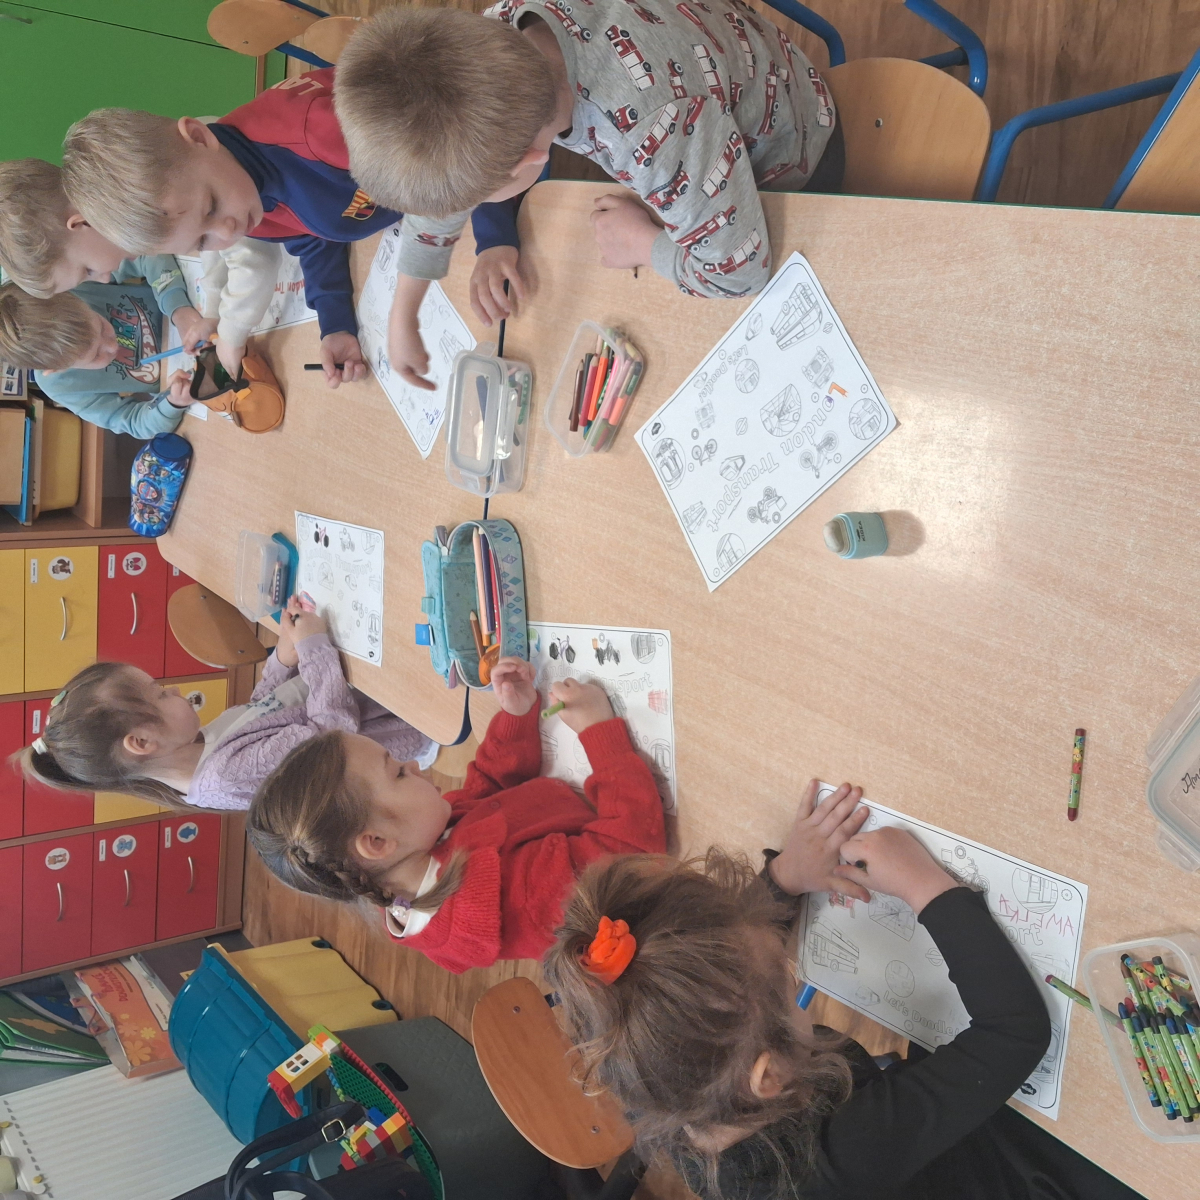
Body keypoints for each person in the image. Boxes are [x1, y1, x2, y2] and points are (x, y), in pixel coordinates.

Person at [541, 781, 1149, 1200]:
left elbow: (710, 974)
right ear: (768, 1076)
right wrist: (925, 886)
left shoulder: (666, 1079)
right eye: (783, 975)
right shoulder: (839, 1158)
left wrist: (783, 878)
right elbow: (1015, 1031)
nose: (785, 959)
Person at [332, 2, 843, 384]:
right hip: (732, 58)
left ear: (529, 164)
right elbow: (448, 171)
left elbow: (739, 274)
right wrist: (403, 313)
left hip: (799, 143)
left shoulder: (651, 130)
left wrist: (644, 245)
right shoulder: (496, 32)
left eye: (474, 201)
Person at [60, 70, 523, 388]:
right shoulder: (242, 195)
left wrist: (495, 236)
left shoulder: (318, 134)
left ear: (199, 137)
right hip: (446, 219)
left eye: (211, 207)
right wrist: (335, 323)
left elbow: (468, 148)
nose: (226, 232)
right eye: (202, 242)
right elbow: (311, 236)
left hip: (514, 144)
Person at [248, 656, 667, 973]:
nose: (415, 766)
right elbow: (632, 852)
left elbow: (485, 793)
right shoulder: (521, 898)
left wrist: (516, 716)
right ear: (376, 842)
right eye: (398, 772)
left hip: (591, 803)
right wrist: (599, 732)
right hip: (658, 856)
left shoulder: (403, 862)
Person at [13, 597, 434, 813]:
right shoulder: (226, 776)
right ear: (142, 741)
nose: (174, 690)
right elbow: (334, 739)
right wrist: (313, 649)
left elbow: (263, 711)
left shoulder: (195, 748)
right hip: (402, 722)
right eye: (160, 694)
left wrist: (283, 657)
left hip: (365, 691)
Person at [0, 281, 197, 439]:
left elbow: (146, 257)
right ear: (57, 368)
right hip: (193, 379)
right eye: (95, 356)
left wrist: (177, 307)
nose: (113, 347)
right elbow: (134, 423)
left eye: (102, 326)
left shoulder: (74, 282)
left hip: (193, 301)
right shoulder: (59, 385)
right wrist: (173, 403)